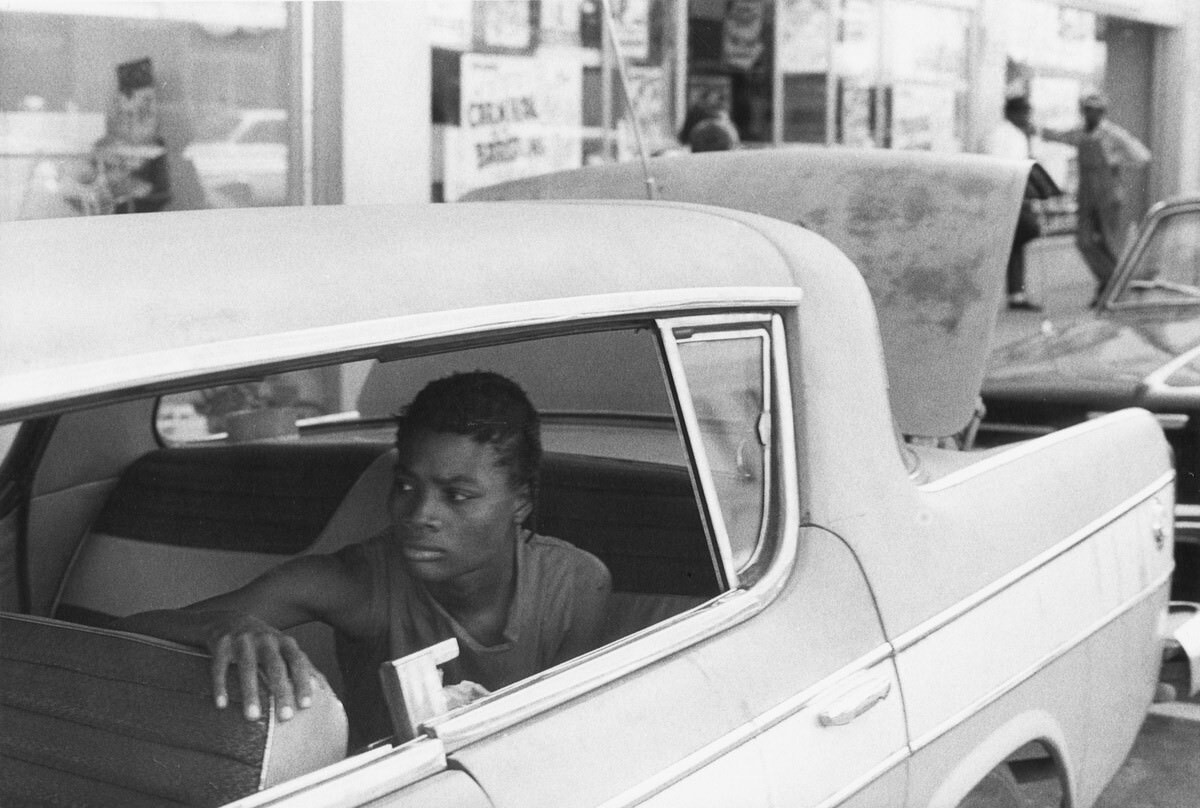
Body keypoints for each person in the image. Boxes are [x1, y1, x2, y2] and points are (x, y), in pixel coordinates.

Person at [117, 371, 612, 748]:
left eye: (458, 496)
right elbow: (128, 635)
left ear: (521, 501)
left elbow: (569, 740)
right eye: (405, 486)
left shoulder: (575, 585)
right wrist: (220, 626)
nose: (419, 515)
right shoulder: (360, 583)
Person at [1041, 92, 1151, 304]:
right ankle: (1110, 280)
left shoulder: (1112, 134)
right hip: (1086, 194)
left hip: (1107, 193)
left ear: (1102, 112)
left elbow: (1142, 156)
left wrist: (1115, 161)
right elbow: (1060, 136)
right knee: (1083, 241)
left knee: (1109, 242)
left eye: (1094, 110)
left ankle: (1114, 286)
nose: (1089, 114)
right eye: (1086, 110)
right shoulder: (1080, 133)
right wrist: (1039, 131)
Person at [985, 96, 1043, 311]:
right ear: (1012, 113)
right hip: (1006, 198)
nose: (1027, 117)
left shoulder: (1018, 135)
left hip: (1015, 197)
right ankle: (1007, 292)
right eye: (1024, 112)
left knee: (1015, 244)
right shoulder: (1005, 136)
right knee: (1025, 232)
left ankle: (1017, 294)